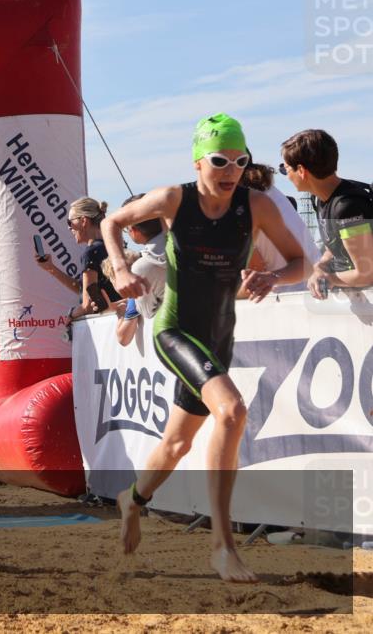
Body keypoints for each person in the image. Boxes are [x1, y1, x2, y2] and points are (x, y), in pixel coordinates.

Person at [101, 113, 305, 582]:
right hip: (175, 330)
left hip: (218, 337)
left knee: (177, 443)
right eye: (219, 160)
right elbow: (112, 222)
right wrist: (120, 268)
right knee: (232, 411)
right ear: (198, 162)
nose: (231, 170)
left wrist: (273, 277)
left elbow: (299, 262)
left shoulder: (256, 206)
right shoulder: (175, 198)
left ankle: (133, 498)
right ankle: (222, 546)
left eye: (240, 161)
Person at [279, 129, 373, 295]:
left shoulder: (348, 207)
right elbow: (337, 243)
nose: (286, 176)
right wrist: (320, 266)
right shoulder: (321, 198)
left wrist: (330, 279)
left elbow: (366, 274)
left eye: (285, 169)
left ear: (301, 171)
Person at [35, 197, 122, 320]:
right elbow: (84, 290)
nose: (69, 228)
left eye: (69, 222)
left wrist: (70, 315)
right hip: (120, 317)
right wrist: (51, 268)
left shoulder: (91, 252)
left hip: (105, 322)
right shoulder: (113, 246)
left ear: (83, 221)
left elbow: (87, 306)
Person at [240, 160, 320, 293]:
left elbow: (253, 273)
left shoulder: (246, 202)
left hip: (289, 295)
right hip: (315, 285)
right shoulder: (268, 190)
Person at [112, 194, 168, 346]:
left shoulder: (141, 267)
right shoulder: (187, 240)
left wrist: (131, 300)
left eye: (126, 229)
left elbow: (147, 313)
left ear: (134, 230)